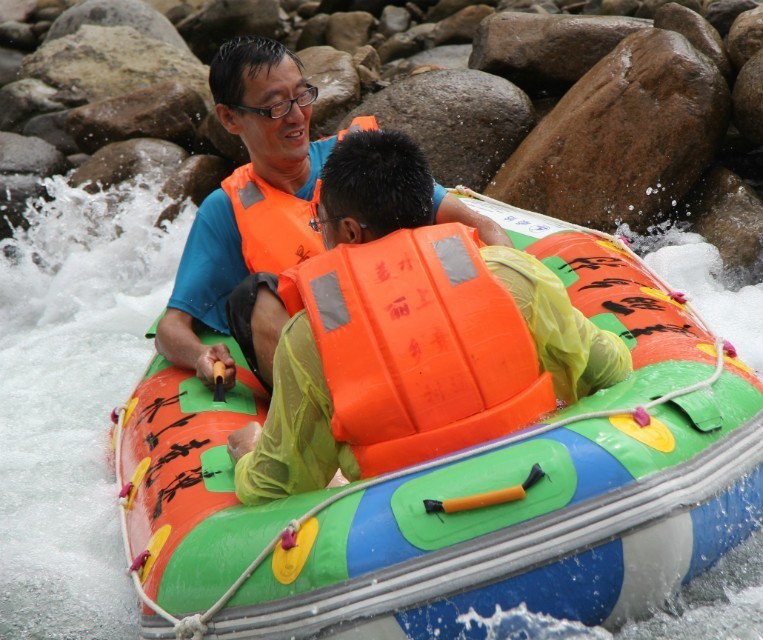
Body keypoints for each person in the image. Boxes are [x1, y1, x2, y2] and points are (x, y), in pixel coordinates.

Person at [227, 130, 633, 505]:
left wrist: (247, 450)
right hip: (548, 479)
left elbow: (278, 484)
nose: (323, 234)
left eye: (323, 224)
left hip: (405, 525)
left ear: (350, 231)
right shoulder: (513, 275)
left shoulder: (308, 336)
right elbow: (609, 369)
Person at [154, 35, 510, 392]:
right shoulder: (226, 210)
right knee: (253, 295)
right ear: (230, 118)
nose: (296, 116)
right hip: (333, 380)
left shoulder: (360, 159)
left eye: (302, 95)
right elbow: (171, 328)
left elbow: (481, 228)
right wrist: (200, 354)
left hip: (422, 337)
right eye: (275, 107)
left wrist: (513, 299)